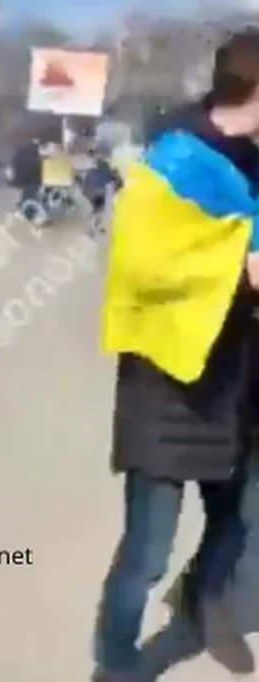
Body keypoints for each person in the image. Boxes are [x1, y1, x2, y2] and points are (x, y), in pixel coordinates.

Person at [94, 29, 259, 682]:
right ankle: (113, 663)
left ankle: (204, 603)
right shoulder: (172, 162)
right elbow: (140, 262)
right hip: (169, 386)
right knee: (147, 552)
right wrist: (236, 265)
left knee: (241, 519)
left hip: (242, 380)